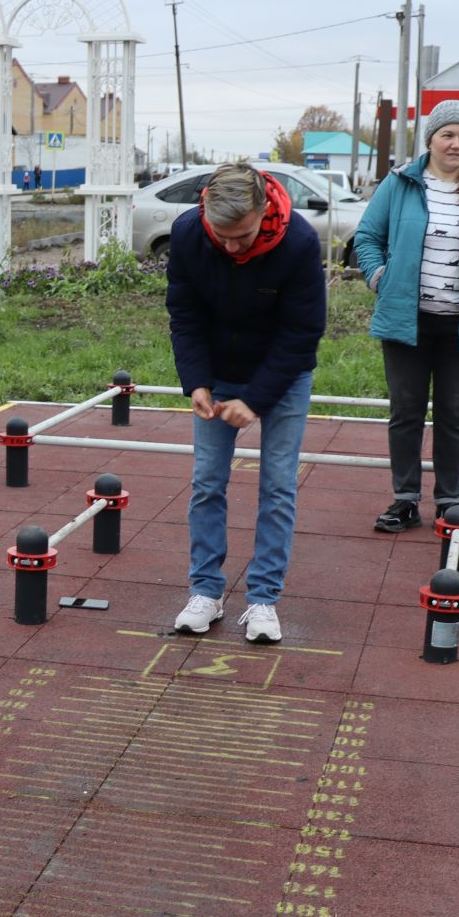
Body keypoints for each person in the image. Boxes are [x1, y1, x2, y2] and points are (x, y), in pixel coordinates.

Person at [168, 163, 328, 644]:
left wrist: (256, 400)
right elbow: (185, 312)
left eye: (242, 235)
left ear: (264, 211)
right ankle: (206, 591)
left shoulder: (298, 242)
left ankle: (263, 600)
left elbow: (302, 333)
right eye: (223, 235)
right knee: (206, 482)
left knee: (278, 485)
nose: (232, 247)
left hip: (283, 374)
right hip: (217, 372)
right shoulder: (189, 233)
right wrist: (196, 381)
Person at [353, 99, 459, 533]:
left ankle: (449, 501)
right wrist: (379, 277)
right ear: (430, 139)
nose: (456, 143)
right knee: (406, 411)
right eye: (448, 134)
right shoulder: (400, 184)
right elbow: (368, 237)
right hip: (406, 320)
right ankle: (404, 500)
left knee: (453, 413)